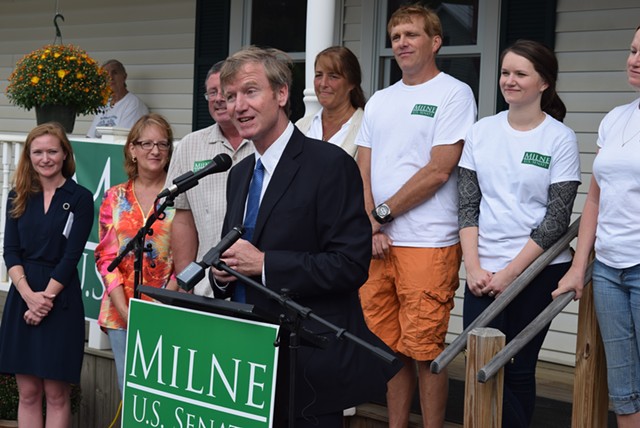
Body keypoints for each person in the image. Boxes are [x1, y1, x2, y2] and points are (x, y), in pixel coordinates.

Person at [210, 46, 398, 428]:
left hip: (307, 368)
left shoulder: (329, 165)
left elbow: (350, 265)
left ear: (281, 95)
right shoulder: (240, 173)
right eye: (230, 97)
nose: (238, 105)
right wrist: (222, 276)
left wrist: (265, 264)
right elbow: (238, 255)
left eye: (250, 91)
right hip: (245, 363)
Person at [355, 5, 476, 427]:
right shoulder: (381, 100)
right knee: (389, 351)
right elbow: (362, 166)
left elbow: (440, 169)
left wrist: (382, 213)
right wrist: (368, 221)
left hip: (428, 242)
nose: (402, 43)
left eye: (412, 34)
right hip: (377, 244)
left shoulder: (453, 93)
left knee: (426, 352)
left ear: (435, 42)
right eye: (396, 37)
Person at [459, 40, 580, 427]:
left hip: (537, 271)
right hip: (483, 272)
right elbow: (466, 206)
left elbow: (556, 219)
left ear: (544, 82)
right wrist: (473, 267)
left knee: (520, 370)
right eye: (505, 72)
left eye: (520, 74)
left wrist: (511, 275)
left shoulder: (559, 138)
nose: (509, 81)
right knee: (478, 363)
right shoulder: (481, 132)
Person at [555, 26, 640, 428]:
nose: (634, 59)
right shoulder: (616, 119)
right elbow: (594, 198)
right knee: (624, 389)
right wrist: (579, 265)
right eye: (633, 50)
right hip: (607, 269)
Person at [0, 122, 94, 427]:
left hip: (60, 298)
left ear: (65, 153)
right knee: (27, 391)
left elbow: (71, 257)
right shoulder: (18, 194)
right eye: (38, 151)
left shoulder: (80, 197)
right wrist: (29, 297)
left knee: (56, 393)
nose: (45, 158)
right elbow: (10, 251)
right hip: (22, 297)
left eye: (52, 151)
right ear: (29, 155)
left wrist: (45, 300)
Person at [94, 113, 177, 396]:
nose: (155, 151)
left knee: (164, 392)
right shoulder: (115, 197)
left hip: (168, 311)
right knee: (130, 393)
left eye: (162, 144)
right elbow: (106, 258)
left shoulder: (180, 196)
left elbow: (187, 258)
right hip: (121, 313)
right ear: (132, 149)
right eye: (146, 143)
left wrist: (164, 305)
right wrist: (125, 311)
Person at [166, 61, 253, 296]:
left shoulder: (262, 142)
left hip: (258, 282)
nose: (218, 99)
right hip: (207, 286)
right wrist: (187, 279)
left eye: (225, 92)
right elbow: (183, 217)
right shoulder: (190, 145)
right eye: (211, 92)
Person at [295, 46, 366, 157]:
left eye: (333, 76)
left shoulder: (365, 128)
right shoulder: (301, 127)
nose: (323, 84)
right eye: (318, 75)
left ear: (352, 83)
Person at [87, 59, 149, 138]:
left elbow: (122, 139)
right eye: (106, 74)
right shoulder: (103, 104)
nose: (110, 77)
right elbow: (90, 136)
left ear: (124, 77)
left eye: (114, 73)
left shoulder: (133, 103)